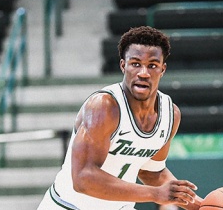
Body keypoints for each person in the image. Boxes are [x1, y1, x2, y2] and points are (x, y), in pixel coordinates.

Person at [37, 26, 202, 210]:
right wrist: (155, 194)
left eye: (152, 65)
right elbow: (83, 178)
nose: (143, 73)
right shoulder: (104, 106)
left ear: (162, 69)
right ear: (123, 65)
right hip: (69, 206)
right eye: (136, 63)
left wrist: (203, 207)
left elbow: (152, 172)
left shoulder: (170, 114)